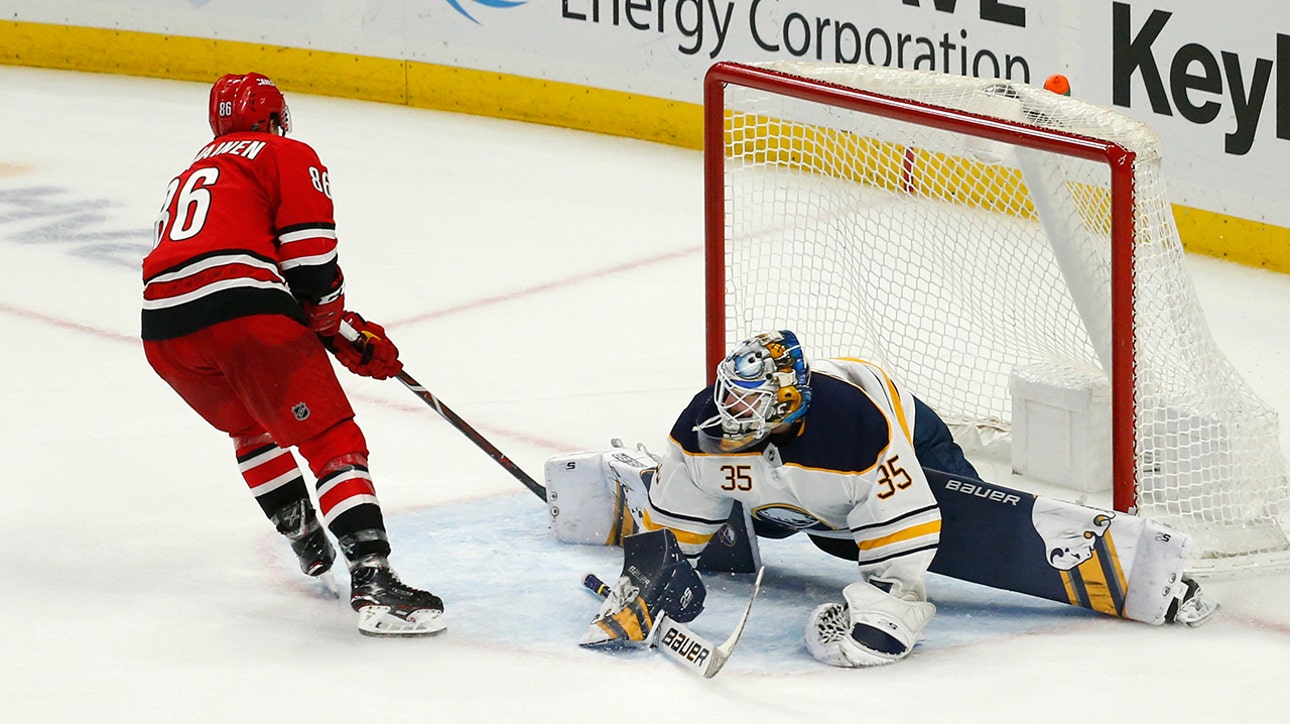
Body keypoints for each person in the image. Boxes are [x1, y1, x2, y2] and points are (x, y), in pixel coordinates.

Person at [570, 330, 1216, 667]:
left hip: (906, 435)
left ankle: (1159, 580)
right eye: (729, 394)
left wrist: (889, 604)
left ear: (788, 400)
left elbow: (902, 525)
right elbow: (680, 514)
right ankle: (781, 521)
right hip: (793, 493)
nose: (729, 410)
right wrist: (656, 577)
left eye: (748, 400)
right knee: (779, 520)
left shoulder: (854, 430)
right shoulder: (702, 428)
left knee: (958, 515)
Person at [141, 72, 443, 636]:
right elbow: (309, 268)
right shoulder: (284, 153)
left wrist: (339, 332)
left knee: (252, 428)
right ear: (275, 115)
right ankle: (374, 579)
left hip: (163, 331)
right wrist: (339, 332)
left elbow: (216, 263)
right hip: (241, 311)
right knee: (331, 435)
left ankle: (306, 539)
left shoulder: (189, 173)